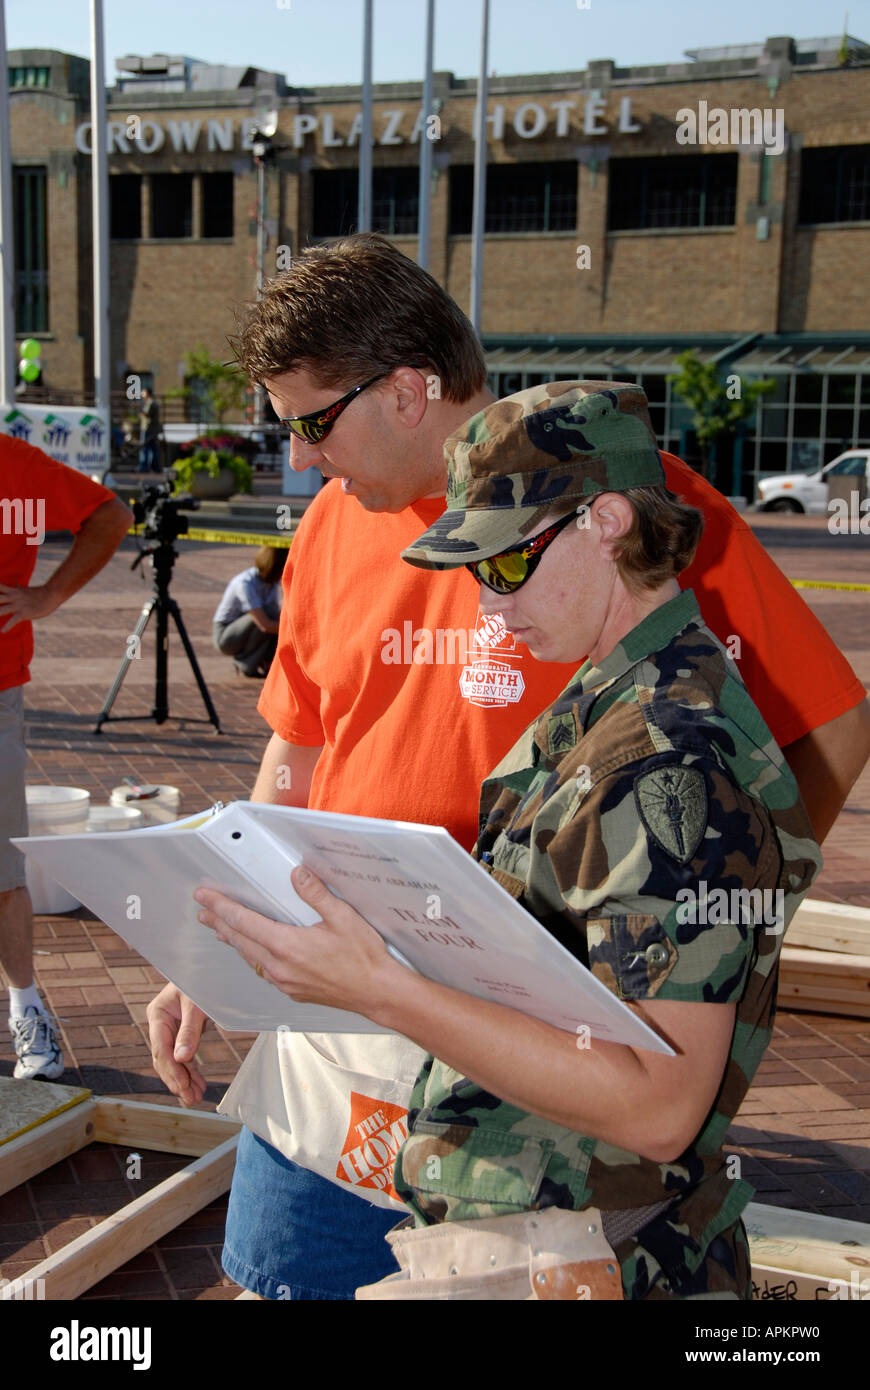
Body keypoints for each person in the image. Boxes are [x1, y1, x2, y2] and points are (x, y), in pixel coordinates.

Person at [145, 235, 870, 1302]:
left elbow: (830, 727)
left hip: (530, 1078)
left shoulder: (626, 498)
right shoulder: (332, 531)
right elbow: (298, 743)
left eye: (309, 422)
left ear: (402, 390)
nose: (298, 456)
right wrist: (223, 935)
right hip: (337, 1033)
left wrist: (696, 943)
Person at [0, 438, 132, 1078]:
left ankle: (26, 1009)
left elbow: (111, 514)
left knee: (2, 870)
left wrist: (46, 597)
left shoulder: (17, 464)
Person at [213, 546, 285, 678]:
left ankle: (266, 661)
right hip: (226, 635)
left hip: (249, 627)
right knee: (266, 620)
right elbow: (264, 624)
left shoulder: (270, 584)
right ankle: (246, 663)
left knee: (275, 617)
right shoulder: (245, 583)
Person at [137, 388, 162, 473]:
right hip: (151, 429)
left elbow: (148, 414)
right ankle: (155, 467)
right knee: (153, 449)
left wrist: (140, 412)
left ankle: (144, 467)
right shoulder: (151, 403)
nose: (141, 394)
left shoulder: (150, 403)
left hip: (148, 429)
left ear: (147, 393)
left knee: (145, 448)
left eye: (143, 392)